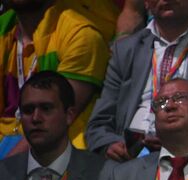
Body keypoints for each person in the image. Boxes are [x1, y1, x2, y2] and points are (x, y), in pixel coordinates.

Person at [83, 0, 188, 155]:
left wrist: (181, 143)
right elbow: (99, 123)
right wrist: (110, 145)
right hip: (128, 158)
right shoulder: (126, 50)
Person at [0, 0, 109, 149]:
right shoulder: (3, 28)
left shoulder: (81, 36)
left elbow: (49, 126)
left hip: (56, 157)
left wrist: (5, 168)